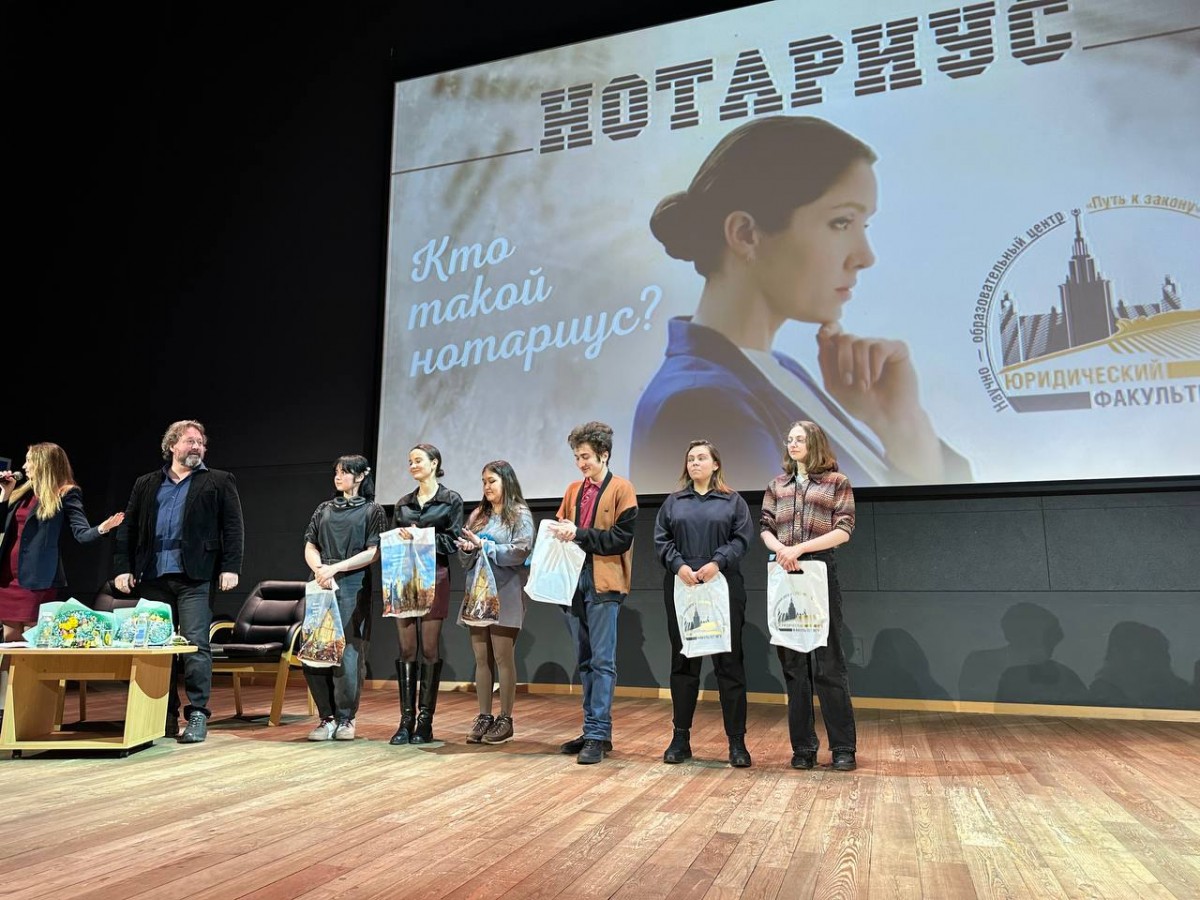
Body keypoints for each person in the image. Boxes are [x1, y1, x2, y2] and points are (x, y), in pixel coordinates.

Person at [633, 115, 970, 492]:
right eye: (841, 222)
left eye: (864, 226)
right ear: (746, 234)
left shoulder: (777, 370)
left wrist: (900, 423)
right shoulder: (703, 402)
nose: (865, 256)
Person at [113, 419, 244, 744]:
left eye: (200, 442)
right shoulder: (146, 483)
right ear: (172, 446)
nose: (197, 446)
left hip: (195, 576)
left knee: (195, 644)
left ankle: (197, 712)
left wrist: (230, 567)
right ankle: (164, 713)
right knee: (156, 647)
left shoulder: (218, 480)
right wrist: (123, 567)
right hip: (153, 575)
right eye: (190, 441)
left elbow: (233, 527)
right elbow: (128, 528)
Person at [0, 444, 124, 725]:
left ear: (45, 463)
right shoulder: (21, 492)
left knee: (33, 644)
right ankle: (5, 710)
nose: (25, 466)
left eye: (30, 461)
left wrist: (103, 528)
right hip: (8, 576)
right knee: (9, 642)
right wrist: (5, 494)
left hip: (37, 577)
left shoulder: (66, 493)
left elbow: (81, 534)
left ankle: (29, 712)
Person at [760, 420, 857, 771]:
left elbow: (844, 529)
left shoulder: (836, 482)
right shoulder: (777, 485)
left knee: (828, 664)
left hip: (817, 569)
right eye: (789, 439)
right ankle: (803, 747)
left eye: (799, 439)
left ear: (815, 443)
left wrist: (800, 548)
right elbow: (766, 527)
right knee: (793, 666)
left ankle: (843, 747)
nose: (792, 444)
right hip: (784, 571)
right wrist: (782, 551)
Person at [653, 440, 754, 767]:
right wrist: (678, 565)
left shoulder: (732, 501)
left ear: (715, 464)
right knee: (683, 663)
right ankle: (680, 738)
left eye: (701, 458)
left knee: (729, 664)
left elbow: (741, 539)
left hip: (722, 584)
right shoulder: (673, 502)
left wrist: (717, 562)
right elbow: (661, 540)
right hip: (683, 585)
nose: (695, 463)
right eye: (690, 459)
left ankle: (737, 742)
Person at [547, 421, 638, 764]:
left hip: (604, 582)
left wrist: (579, 534)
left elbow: (620, 539)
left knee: (602, 661)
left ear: (604, 454)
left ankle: (598, 734)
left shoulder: (622, 489)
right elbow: (561, 527)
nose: (581, 463)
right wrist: (560, 531)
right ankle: (592, 730)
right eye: (577, 457)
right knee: (584, 660)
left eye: (585, 456)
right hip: (573, 581)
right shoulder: (573, 490)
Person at [303, 455, 386, 742]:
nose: (338, 476)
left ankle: (346, 717)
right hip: (321, 580)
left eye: (345, 472)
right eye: (336, 471)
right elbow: (310, 544)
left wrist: (336, 568)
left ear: (360, 476)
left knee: (349, 651)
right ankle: (325, 717)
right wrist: (320, 569)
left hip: (352, 583)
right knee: (316, 647)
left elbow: (373, 552)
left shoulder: (372, 510)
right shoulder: (324, 509)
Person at [388, 443, 463, 745]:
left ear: (434, 464)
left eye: (418, 460)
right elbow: (393, 539)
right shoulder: (403, 504)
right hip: (404, 578)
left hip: (435, 576)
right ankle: (405, 720)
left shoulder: (450, 500)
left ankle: (425, 722)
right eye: (410, 462)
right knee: (407, 649)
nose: (413, 466)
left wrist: (420, 536)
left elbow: (453, 542)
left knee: (430, 649)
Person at [455, 460, 534, 745]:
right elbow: (464, 557)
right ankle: (484, 715)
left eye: (492, 481)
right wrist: (467, 549)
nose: (487, 487)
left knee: (503, 656)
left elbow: (521, 550)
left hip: (506, 592)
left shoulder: (520, 514)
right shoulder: (478, 515)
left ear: (506, 482)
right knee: (481, 657)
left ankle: (506, 719)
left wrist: (484, 545)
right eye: (484, 482)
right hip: (478, 593)